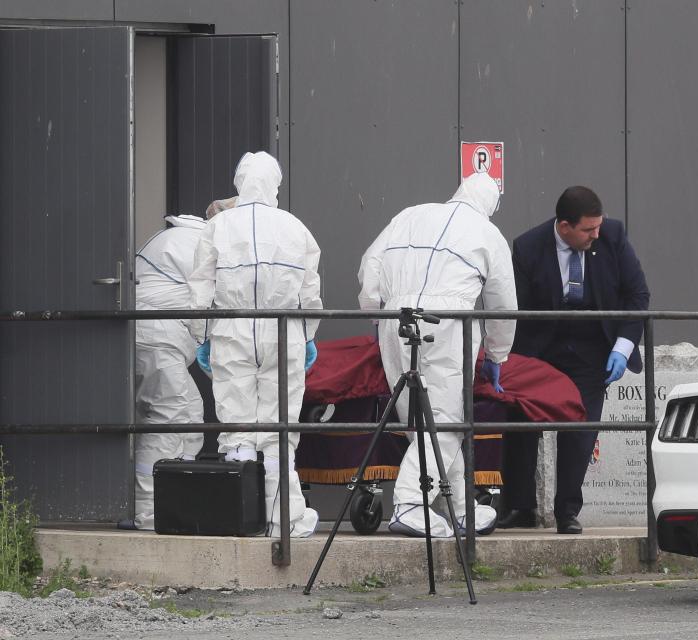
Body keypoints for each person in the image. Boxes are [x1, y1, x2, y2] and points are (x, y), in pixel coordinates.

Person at [358, 172, 517, 537]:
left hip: (396, 319)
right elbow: (503, 304)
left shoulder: (409, 215)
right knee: (445, 423)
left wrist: (373, 312)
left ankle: (460, 509)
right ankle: (411, 504)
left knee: (422, 423)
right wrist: (498, 353)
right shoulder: (487, 233)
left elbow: (371, 263)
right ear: (491, 205)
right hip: (448, 322)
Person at [499, 186, 650, 534]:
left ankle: (567, 510)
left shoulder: (612, 236)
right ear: (564, 226)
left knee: (580, 428)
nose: (596, 235)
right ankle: (520, 506)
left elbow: (637, 294)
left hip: (592, 345)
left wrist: (622, 347)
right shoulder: (527, 247)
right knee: (521, 423)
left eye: (598, 227)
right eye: (588, 230)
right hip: (541, 344)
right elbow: (515, 309)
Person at [189, 151, 322, 538]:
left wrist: (203, 337)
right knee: (280, 427)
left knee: (238, 428)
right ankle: (285, 520)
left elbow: (200, 290)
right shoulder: (296, 228)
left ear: (239, 182)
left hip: (232, 331)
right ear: (275, 184)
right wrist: (308, 334)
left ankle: (241, 518)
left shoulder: (217, 227)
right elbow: (310, 293)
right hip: (283, 333)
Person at [130, 200, 234, 531]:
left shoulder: (182, 237)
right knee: (169, 415)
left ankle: (175, 502)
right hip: (157, 337)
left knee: (189, 413)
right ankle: (147, 512)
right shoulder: (199, 243)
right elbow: (217, 300)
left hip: (158, 337)